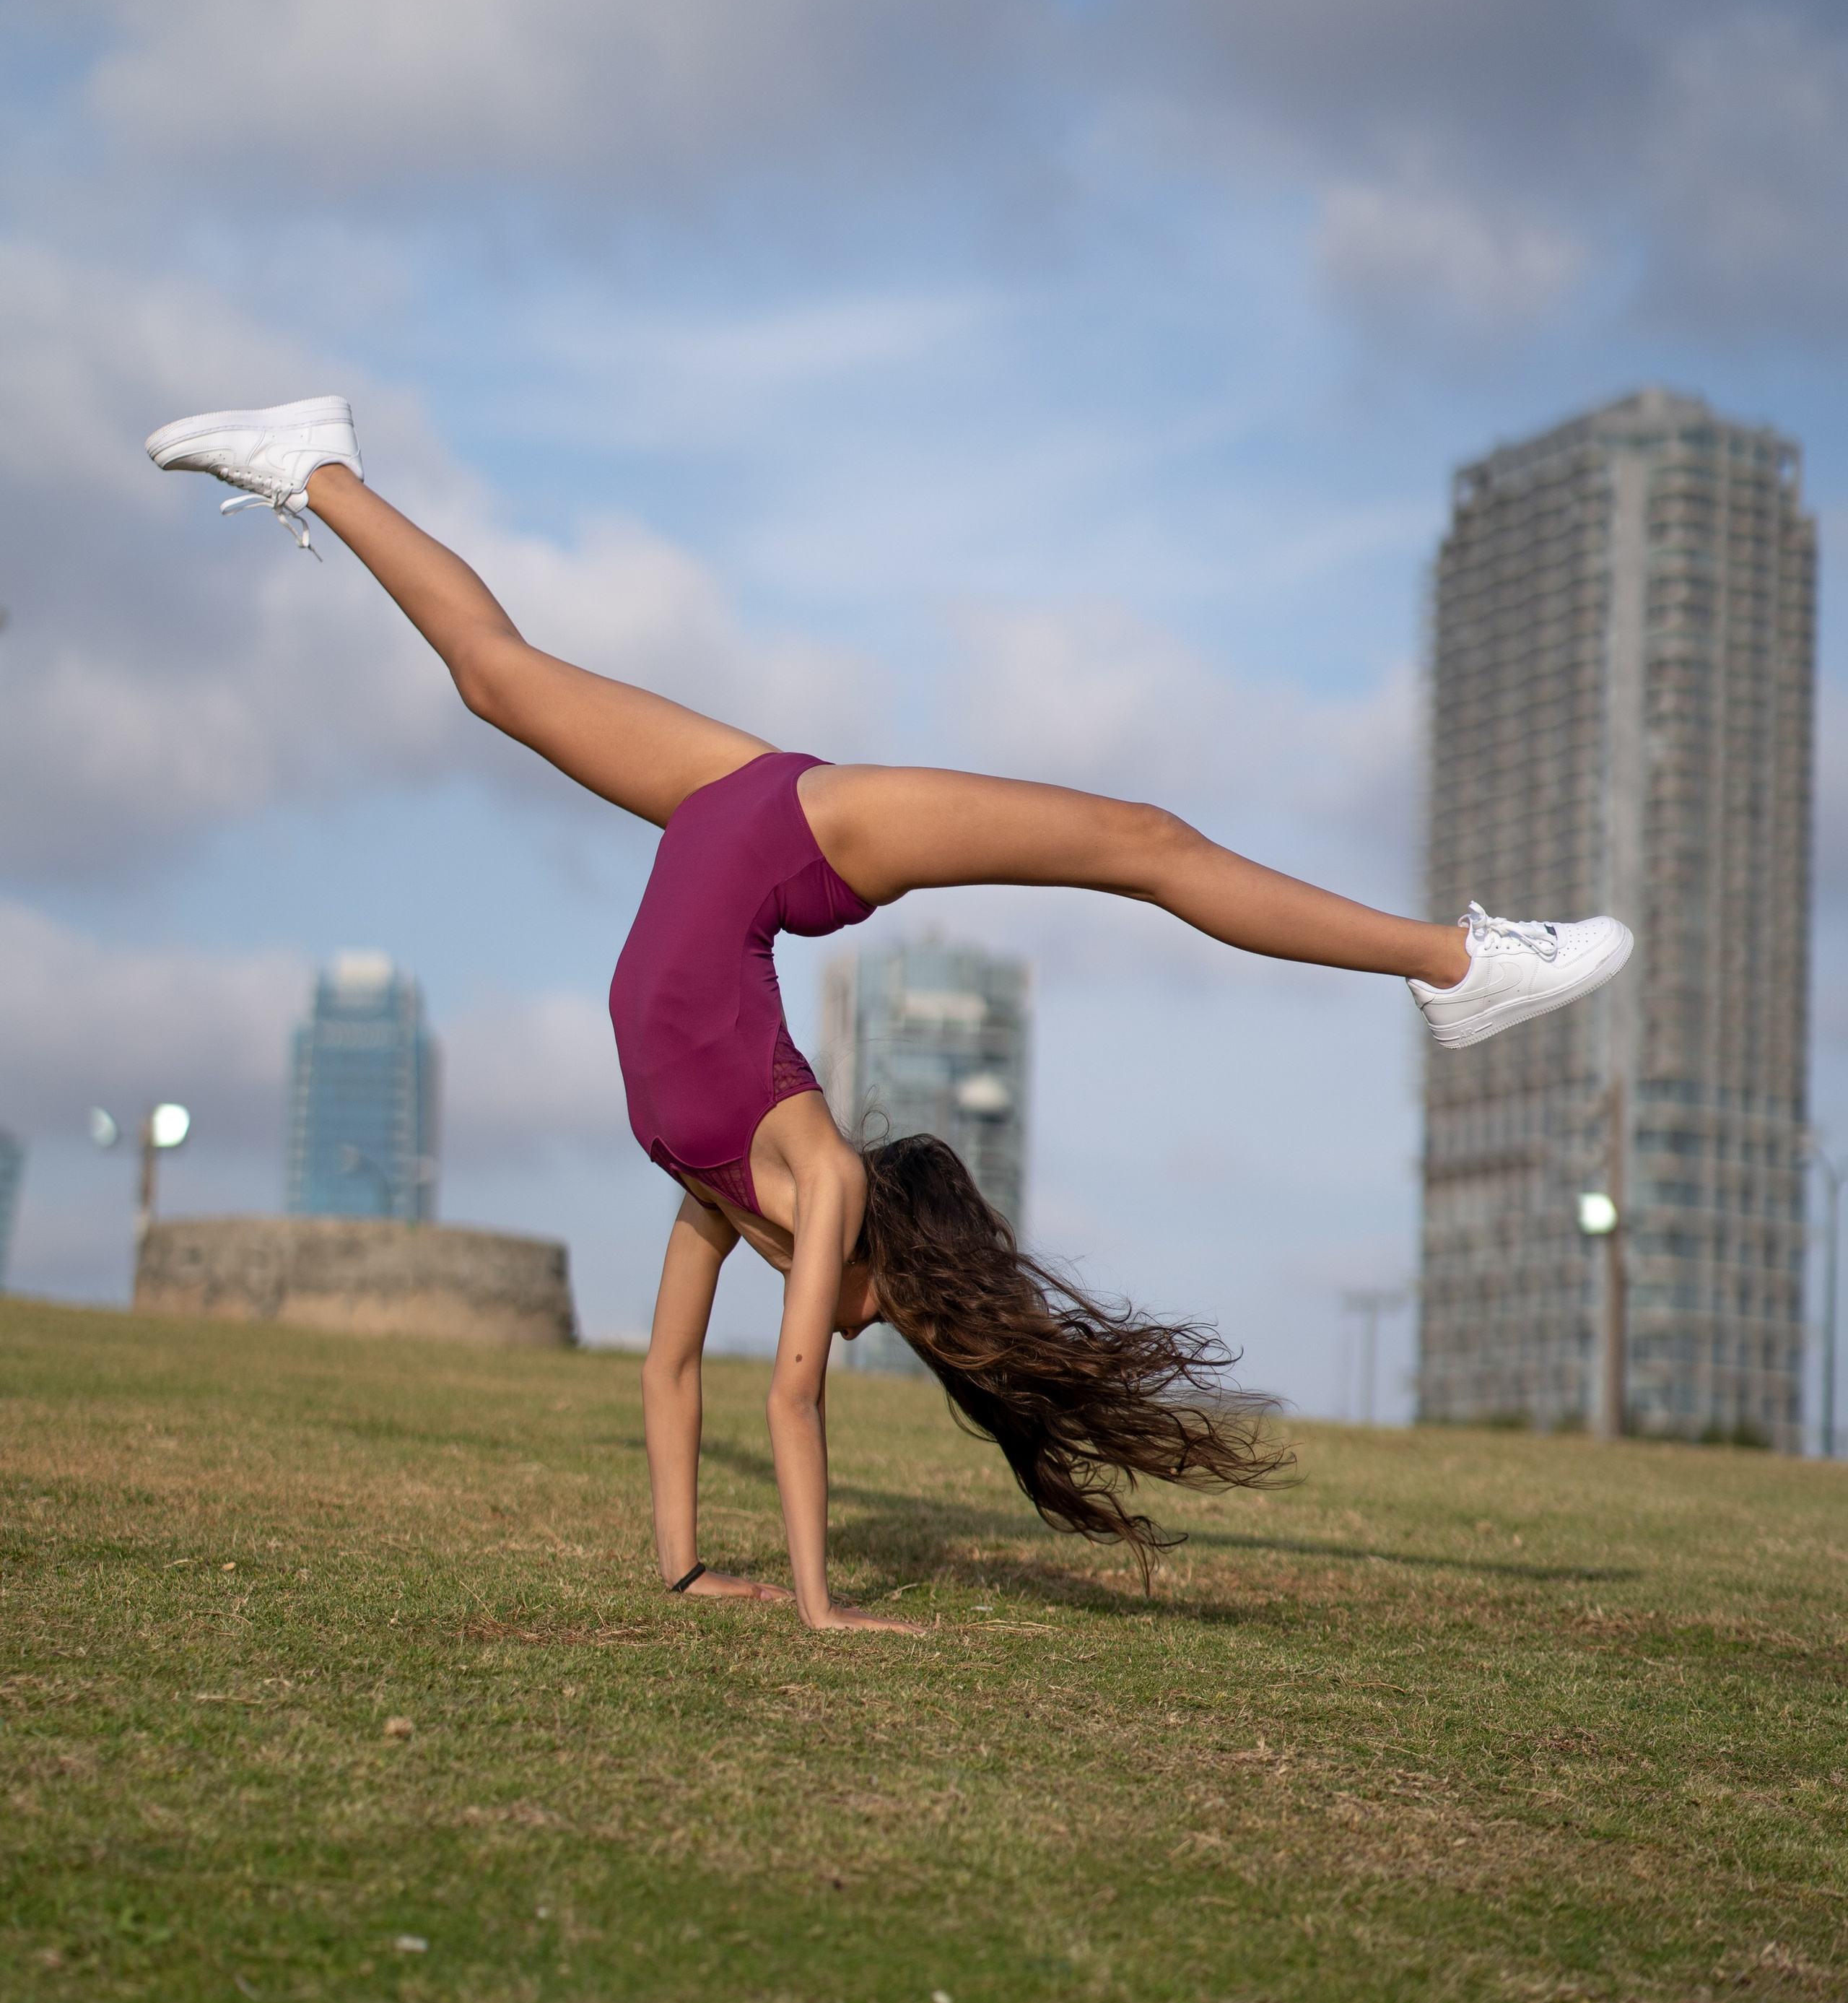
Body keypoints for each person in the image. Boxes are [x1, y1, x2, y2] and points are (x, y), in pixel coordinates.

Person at [146, 397, 1634, 1636]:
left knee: (495, 678)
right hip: (797, 832)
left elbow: (674, 1374)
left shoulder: (726, 1197)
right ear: (893, 1274)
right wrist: (819, 1608)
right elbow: (787, 1400)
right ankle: (1454, 968)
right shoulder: (821, 1181)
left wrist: (686, 1567)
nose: (847, 1332)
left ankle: (320, 464)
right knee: (1136, 838)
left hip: (730, 833)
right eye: (885, 1321)